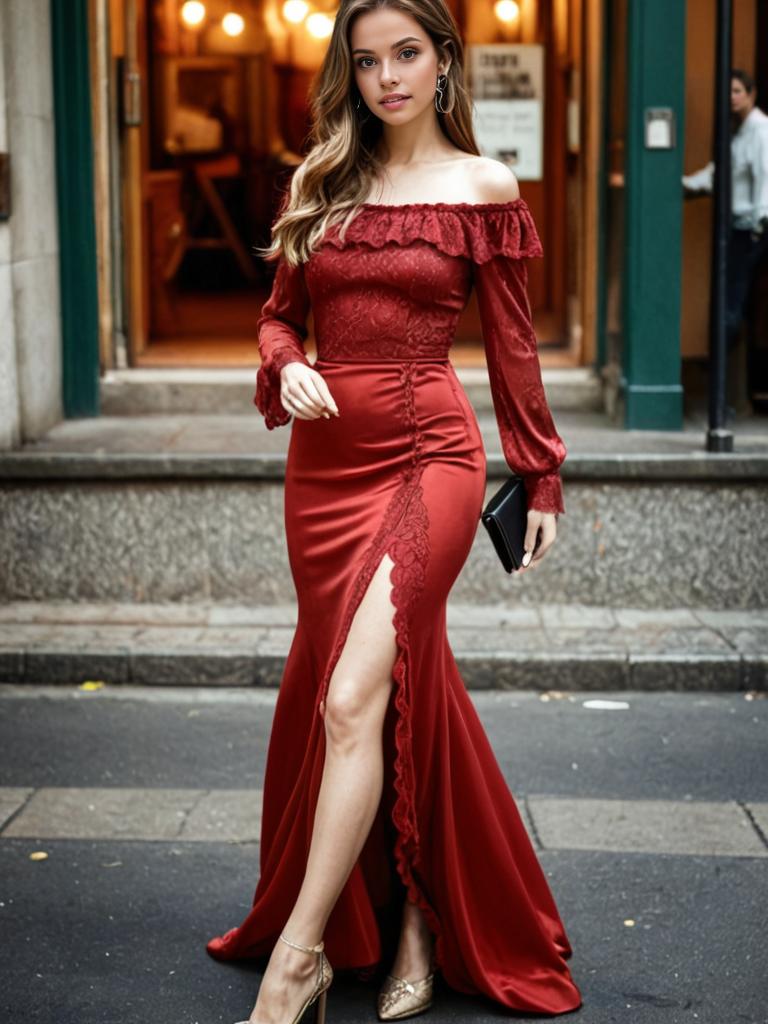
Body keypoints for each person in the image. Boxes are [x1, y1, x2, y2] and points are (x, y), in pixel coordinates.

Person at [206, 2, 582, 1022]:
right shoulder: (320, 179)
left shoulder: (482, 186)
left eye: (406, 54)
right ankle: (412, 910)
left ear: (445, 62)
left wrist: (539, 469)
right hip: (324, 474)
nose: (386, 78)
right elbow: (280, 321)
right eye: (366, 60)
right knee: (384, 692)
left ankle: (298, 963)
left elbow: (511, 346)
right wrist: (284, 368)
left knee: (349, 700)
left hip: (431, 459)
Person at [683, 69, 768, 353]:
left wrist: (760, 224)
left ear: (751, 94)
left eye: (737, 91)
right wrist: (682, 183)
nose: (732, 98)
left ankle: (722, 367)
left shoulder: (761, 130)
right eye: (728, 92)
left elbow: (766, 176)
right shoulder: (739, 131)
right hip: (740, 227)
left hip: (751, 229)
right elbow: (719, 173)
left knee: (733, 300)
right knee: (732, 299)